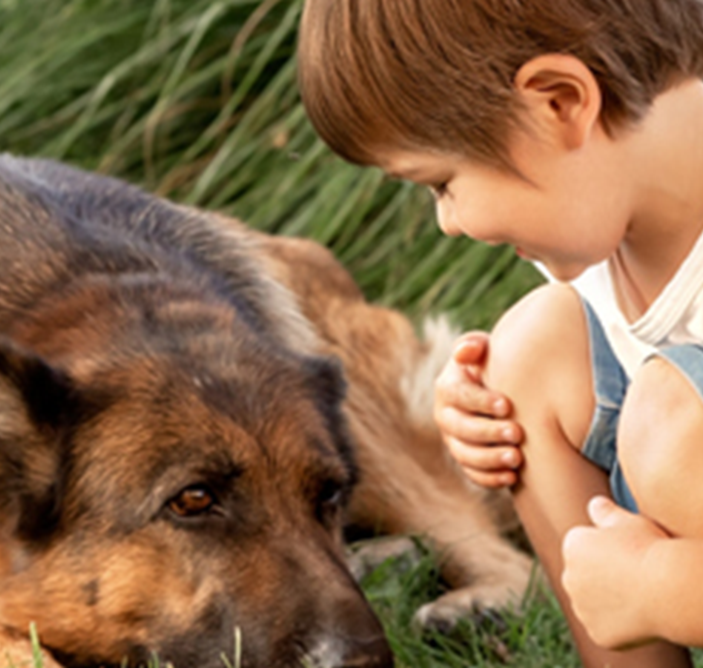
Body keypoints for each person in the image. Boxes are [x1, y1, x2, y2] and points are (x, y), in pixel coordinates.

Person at [297, 1, 703, 667]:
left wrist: (659, 587)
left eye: (441, 184)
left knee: (671, 423)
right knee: (527, 355)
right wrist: (476, 416)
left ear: (558, 103)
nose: (448, 222)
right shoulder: (608, 227)